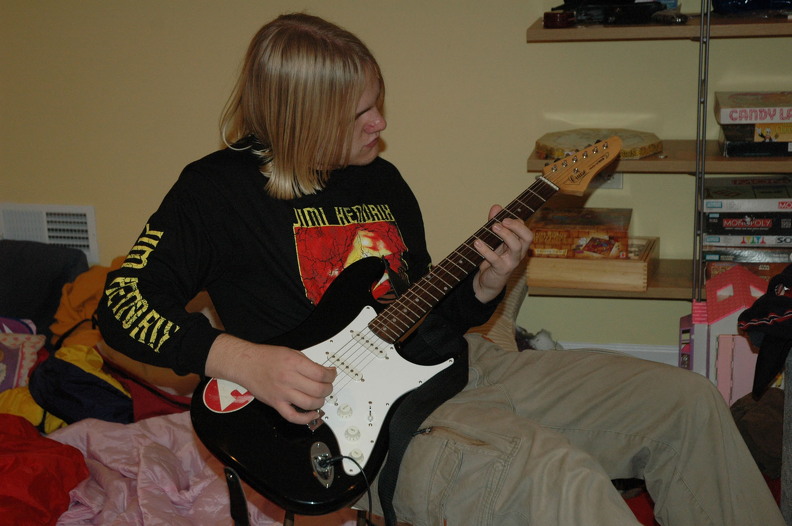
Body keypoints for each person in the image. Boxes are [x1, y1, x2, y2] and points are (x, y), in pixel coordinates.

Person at [96, 12, 784, 526]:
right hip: (364, 425)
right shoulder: (215, 193)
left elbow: (427, 307)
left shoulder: (381, 180)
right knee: (563, 482)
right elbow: (120, 305)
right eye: (360, 112)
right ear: (302, 117)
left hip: (465, 366)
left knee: (688, 404)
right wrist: (245, 361)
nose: (380, 123)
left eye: (378, 102)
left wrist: (486, 284)